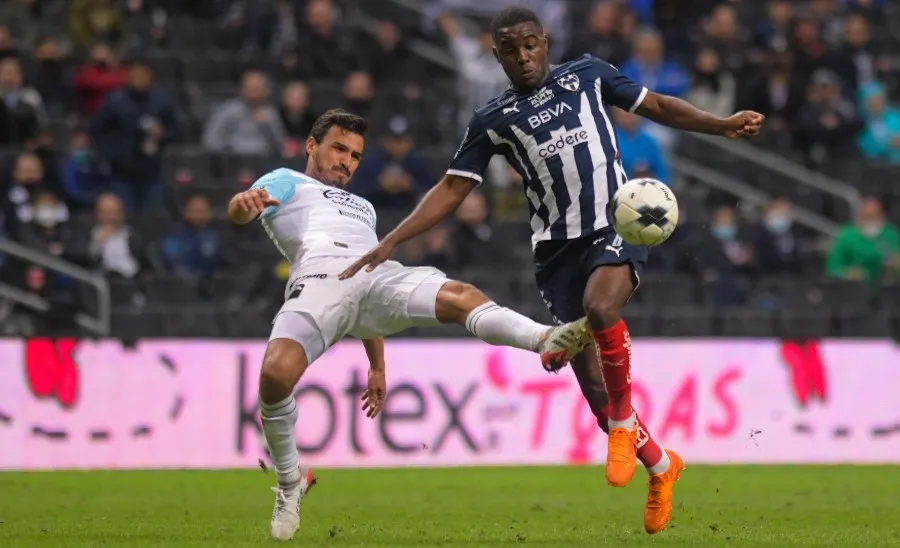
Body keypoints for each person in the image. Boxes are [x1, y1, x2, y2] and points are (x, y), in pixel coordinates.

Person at [340, 6, 765, 535]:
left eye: (530, 45)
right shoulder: (492, 120)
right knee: (590, 384)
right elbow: (453, 189)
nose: (523, 57)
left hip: (617, 220)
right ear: (496, 55)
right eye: (511, 50)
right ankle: (660, 466)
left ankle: (620, 427)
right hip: (555, 251)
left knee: (601, 308)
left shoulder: (587, 73)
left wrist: (718, 124)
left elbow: (654, 104)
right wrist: (393, 240)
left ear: (545, 42)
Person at [226, 109, 591, 542]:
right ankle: (291, 482)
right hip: (318, 282)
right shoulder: (287, 180)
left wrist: (376, 363)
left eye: (356, 156)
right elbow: (240, 210)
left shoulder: (363, 206)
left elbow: (363, 302)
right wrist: (243, 204)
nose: (346, 161)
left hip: (376, 276)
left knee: (459, 295)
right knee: (273, 376)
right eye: (339, 149)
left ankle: (545, 338)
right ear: (312, 146)